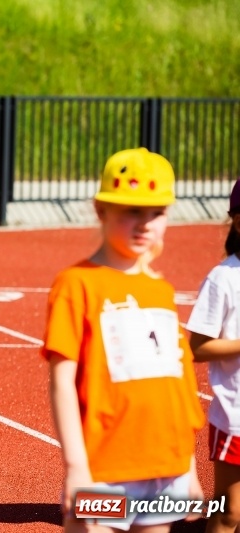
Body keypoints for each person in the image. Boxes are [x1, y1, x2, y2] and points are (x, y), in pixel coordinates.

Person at [41, 147, 205, 531]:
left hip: (167, 465)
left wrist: (189, 467)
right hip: (105, 468)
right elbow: (62, 383)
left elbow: (177, 385)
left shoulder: (161, 289)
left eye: (156, 213)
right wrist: (77, 467)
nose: (145, 224)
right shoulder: (77, 284)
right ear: (101, 210)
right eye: (132, 210)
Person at [186, 178, 240, 533]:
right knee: (230, 512)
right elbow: (199, 347)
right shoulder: (224, 278)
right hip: (235, 416)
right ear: (238, 220)